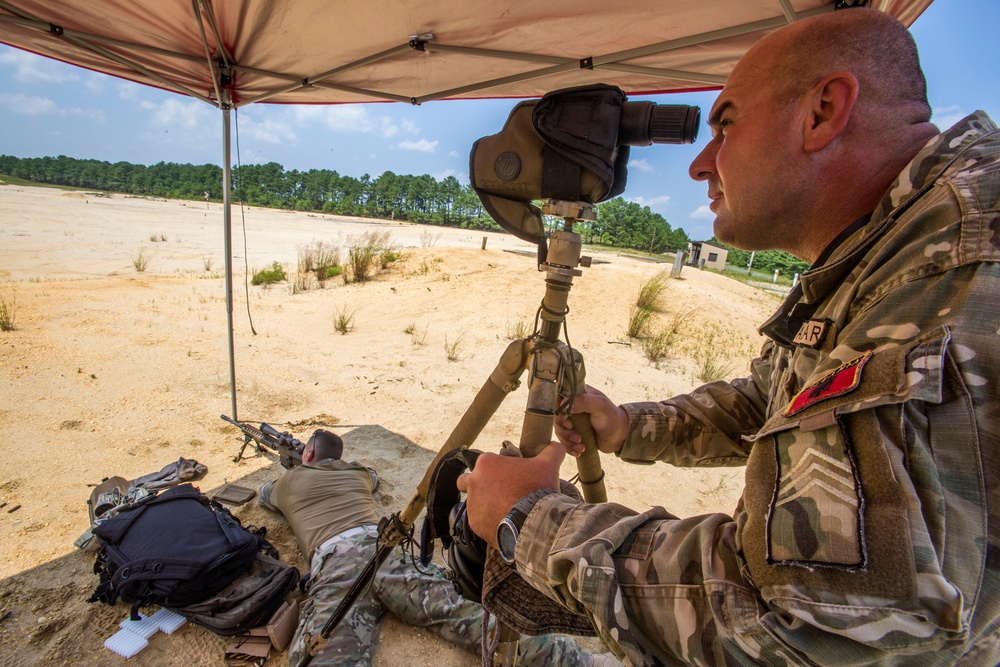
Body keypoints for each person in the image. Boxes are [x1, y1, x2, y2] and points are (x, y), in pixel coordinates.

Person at [456, 7, 999, 667]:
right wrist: (632, 425)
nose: (701, 164)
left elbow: (792, 620)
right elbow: (778, 398)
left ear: (824, 111)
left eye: (727, 122)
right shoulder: (890, 251)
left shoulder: (956, 273)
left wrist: (529, 519)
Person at [258, 428, 618, 666]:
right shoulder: (357, 474)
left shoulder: (289, 481)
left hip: (339, 560)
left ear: (307, 456)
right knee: (468, 615)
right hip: (386, 546)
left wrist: (293, 468)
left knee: (324, 654)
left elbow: (265, 496)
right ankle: (583, 662)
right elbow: (374, 477)